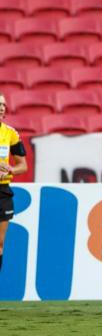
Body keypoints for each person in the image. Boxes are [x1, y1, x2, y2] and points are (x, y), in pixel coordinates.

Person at [0, 92, 28, 272]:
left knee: (0, 243)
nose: (2, 108)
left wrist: (11, 169)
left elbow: (22, 166)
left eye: (3, 105)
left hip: (2, 191)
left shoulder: (10, 134)